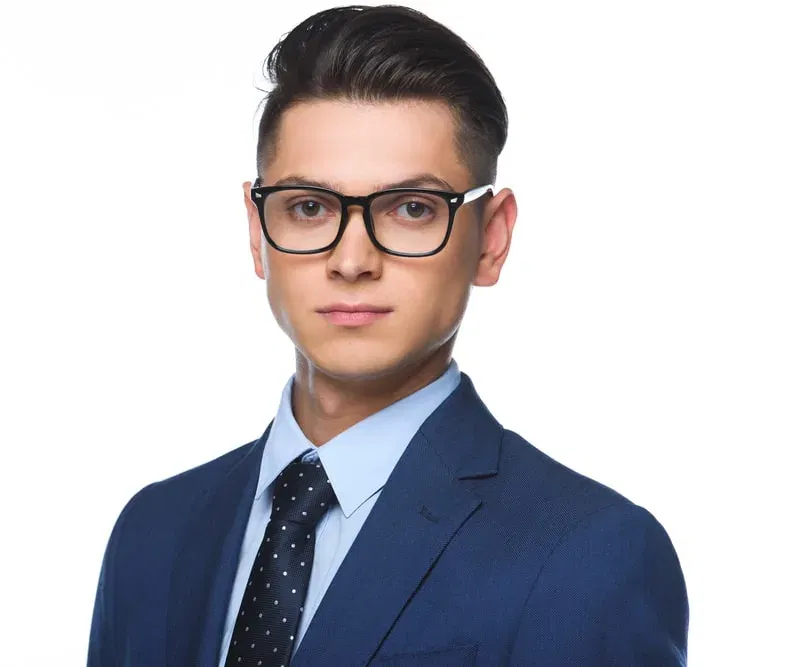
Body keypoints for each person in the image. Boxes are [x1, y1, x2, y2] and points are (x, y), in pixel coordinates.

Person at [87, 5, 689, 666]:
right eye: (309, 206)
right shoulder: (153, 531)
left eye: (410, 209)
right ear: (258, 233)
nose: (351, 260)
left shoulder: (587, 557)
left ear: (490, 238)